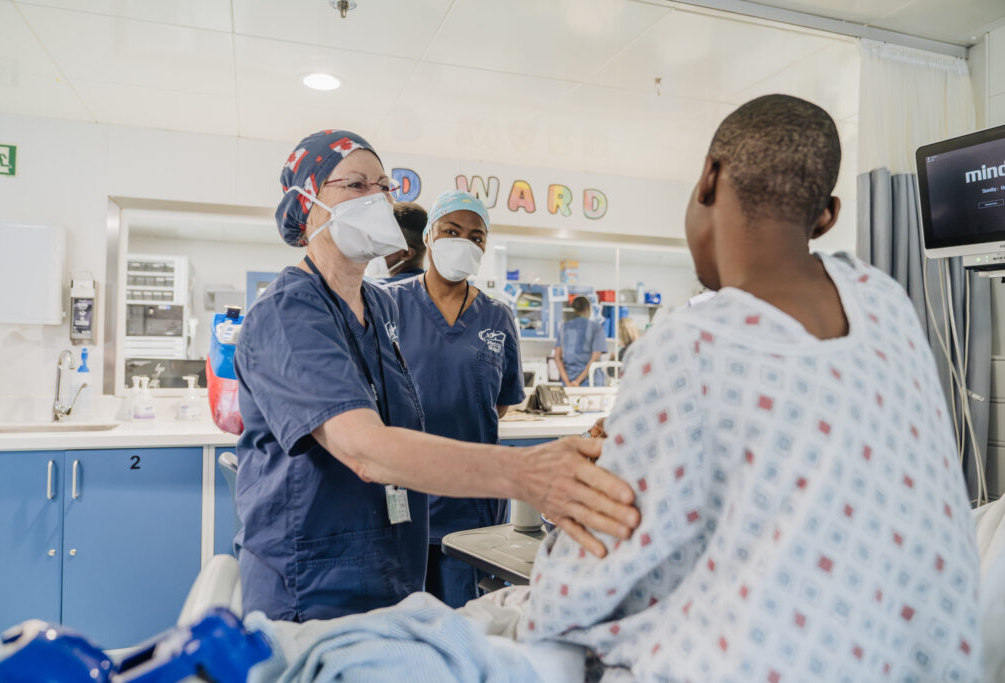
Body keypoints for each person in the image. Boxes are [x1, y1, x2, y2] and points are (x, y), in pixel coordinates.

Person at [520, 95, 981, 681]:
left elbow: (599, 571)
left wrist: (553, 554)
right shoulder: (886, 301)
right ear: (827, 215)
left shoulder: (688, 345)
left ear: (708, 177)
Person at [233, 129, 639, 623]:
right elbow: (364, 448)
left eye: (383, 185)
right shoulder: (288, 312)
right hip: (315, 585)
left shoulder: (379, 307)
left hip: (391, 571)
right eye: (355, 185)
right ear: (307, 202)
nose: (377, 198)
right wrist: (528, 474)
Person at [385, 190, 526, 608]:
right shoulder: (388, 303)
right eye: (452, 230)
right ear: (429, 236)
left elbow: (501, 401)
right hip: (406, 491)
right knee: (406, 617)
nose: (464, 242)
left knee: (467, 615)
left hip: (473, 496)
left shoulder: (497, 316)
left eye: (476, 237)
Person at [367, 201, 428, 284]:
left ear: (406, 253)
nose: (371, 248)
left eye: (380, 243)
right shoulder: (431, 287)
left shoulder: (380, 291)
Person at [554, 296, 608, 387]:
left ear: (574, 310)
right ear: (588, 309)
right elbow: (595, 357)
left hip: (569, 382)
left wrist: (568, 383)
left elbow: (557, 357)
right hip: (591, 382)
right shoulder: (596, 327)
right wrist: (577, 382)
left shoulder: (564, 327)